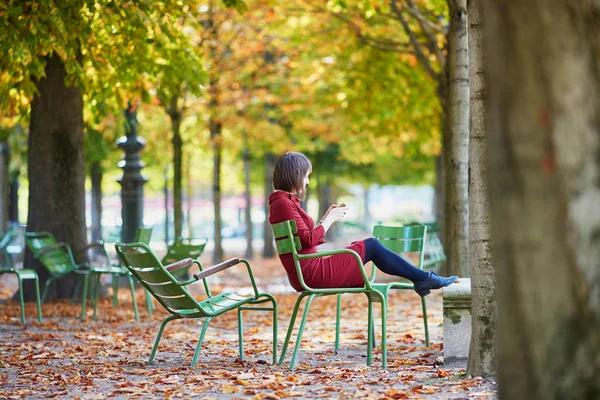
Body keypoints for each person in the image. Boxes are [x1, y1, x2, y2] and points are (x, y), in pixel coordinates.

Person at [268, 151, 457, 296]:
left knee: (368, 245)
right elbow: (308, 240)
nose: (307, 182)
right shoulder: (283, 203)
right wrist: (329, 220)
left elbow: (303, 240)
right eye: (306, 176)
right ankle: (424, 279)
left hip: (309, 270)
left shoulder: (282, 203)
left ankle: (423, 278)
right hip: (311, 274)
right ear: (294, 174)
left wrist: (325, 219)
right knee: (372, 245)